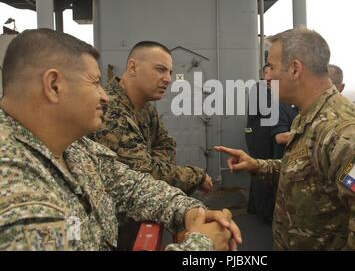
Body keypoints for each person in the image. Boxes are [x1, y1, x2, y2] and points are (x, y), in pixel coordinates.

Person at [0, 29, 241, 250]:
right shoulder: (16, 187)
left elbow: (132, 186)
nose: (105, 95)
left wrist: (188, 211)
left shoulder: (74, 147)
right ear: (54, 86)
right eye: (95, 82)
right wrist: (201, 245)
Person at [215, 26, 355, 250]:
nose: (267, 76)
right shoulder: (308, 117)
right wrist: (258, 165)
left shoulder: (342, 132)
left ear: (295, 69)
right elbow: (306, 171)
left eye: (271, 67)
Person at [90, 41, 212, 195]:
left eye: (170, 72)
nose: (168, 79)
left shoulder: (146, 107)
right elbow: (143, 174)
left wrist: (153, 165)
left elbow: (167, 145)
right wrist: (196, 176)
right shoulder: (109, 110)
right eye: (160, 69)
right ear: (133, 67)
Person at [244, 64, 276, 223]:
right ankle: (265, 213)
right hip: (257, 134)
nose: (271, 76)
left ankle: (254, 206)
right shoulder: (259, 88)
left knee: (257, 170)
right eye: (269, 72)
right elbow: (268, 110)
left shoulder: (272, 89)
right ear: (264, 74)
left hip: (263, 134)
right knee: (261, 171)